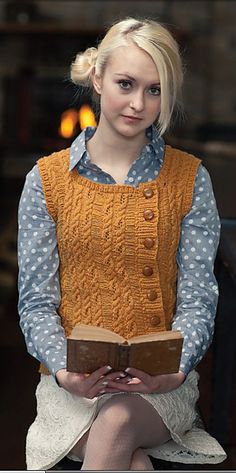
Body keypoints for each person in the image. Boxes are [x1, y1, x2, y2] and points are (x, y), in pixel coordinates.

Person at [18, 17, 226, 471]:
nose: (138, 104)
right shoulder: (46, 181)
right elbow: (35, 302)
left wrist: (177, 366)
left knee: (116, 423)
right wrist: (65, 371)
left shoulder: (190, 178)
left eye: (154, 90)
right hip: (71, 387)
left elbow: (197, 296)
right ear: (97, 77)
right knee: (132, 463)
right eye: (126, 84)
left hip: (159, 388)